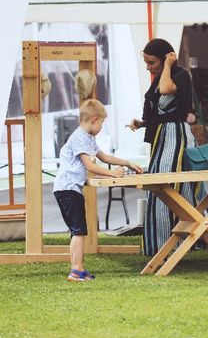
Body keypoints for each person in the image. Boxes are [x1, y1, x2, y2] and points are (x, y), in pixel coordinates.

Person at [54, 99, 142, 282]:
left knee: (77, 230)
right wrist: (113, 174)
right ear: (94, 119)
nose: (102, 127)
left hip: (70, 189)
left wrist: (127, 163)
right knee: (78, 231)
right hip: (68, 189)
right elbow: (89, 164)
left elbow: (103, 156)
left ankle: (79, 268)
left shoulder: (88, 138)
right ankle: (76, 270)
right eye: (102, 123)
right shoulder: (79, 137)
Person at [127, 38, 201, 256]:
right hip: (162, 138)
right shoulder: (159, 78)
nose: (149, 67)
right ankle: (162, 243)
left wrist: (168, 66)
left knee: (172, 186)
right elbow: (158, 112)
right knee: (160, 188)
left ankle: (183, 242)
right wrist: (142, 123)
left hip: (175, 138)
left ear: (166, 58)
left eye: (152, 63)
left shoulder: (179, 75)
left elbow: (167, 90)